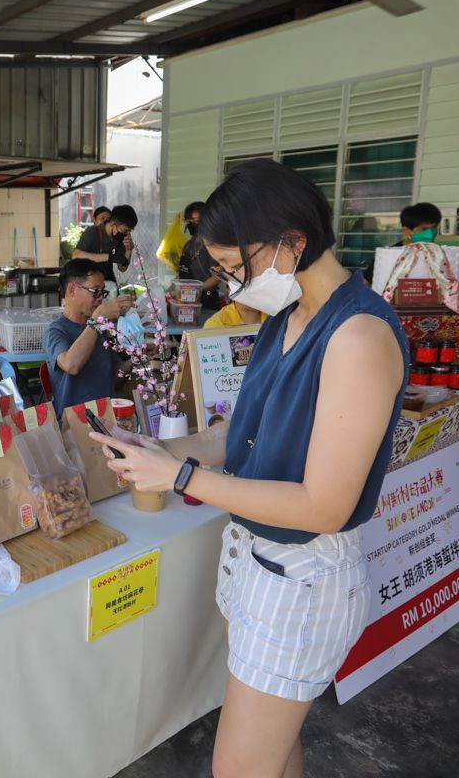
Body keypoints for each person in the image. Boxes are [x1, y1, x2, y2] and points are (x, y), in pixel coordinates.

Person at [90, 159, 407, 778]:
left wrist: (182, 480)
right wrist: (162, 452)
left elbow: (324, 506)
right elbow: (239, 434)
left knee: (239, 767)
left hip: (302, 580)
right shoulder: (284, 321)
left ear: (293, 240)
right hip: (255, 563)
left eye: (239, 268)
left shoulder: (358, 336)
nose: (233, 287)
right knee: (273, 750)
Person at [42, 258, 135, 417]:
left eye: (103, 292)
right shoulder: (56, 331)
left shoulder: (99, 328)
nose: (100, 298)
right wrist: (97, 321)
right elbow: (71, 365)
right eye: (95, 291)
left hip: (107, 416)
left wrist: (135, 359)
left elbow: (112, 377)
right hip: (74, 424)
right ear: (72, 289)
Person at [73, 203, 137, 284]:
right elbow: (75, 255)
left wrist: (129, 250)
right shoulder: (92, 232)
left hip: (107, 282)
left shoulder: (119, 238)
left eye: (129, 231)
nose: (127, 234)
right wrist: (108, 257)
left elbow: (122, 268)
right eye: (125, 230)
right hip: (88, 283)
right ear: (113, 224)